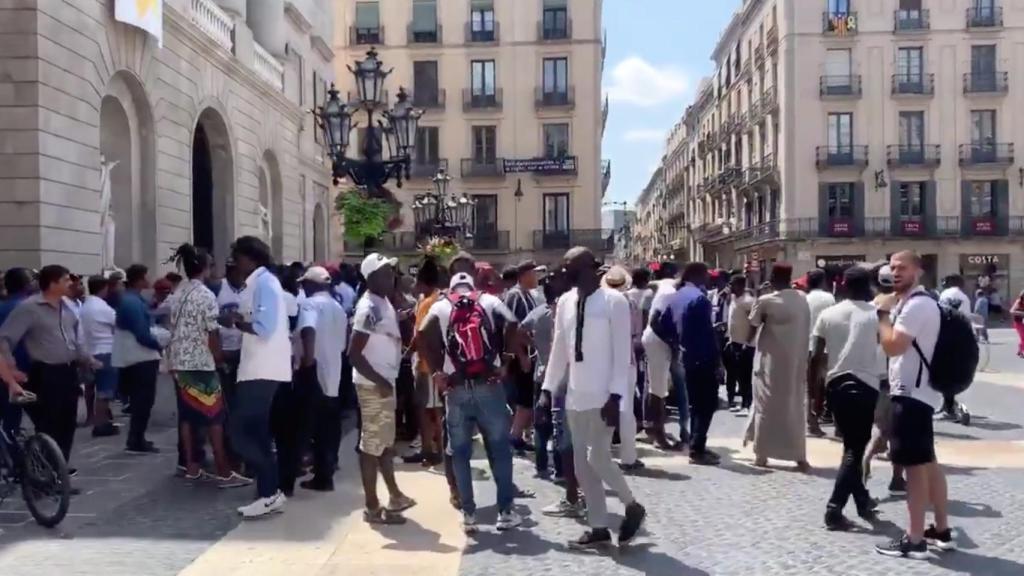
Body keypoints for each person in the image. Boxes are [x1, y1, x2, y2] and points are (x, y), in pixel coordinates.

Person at [541, 247, 645, 549]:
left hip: (604, 396)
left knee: (597, 457)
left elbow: (622, 354)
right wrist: (548, 390)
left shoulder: (615, 302)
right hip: (575, 395)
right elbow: (560, 349)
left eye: (569, 266)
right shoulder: (565, 302)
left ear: (589, 268)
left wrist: (616, 397)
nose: (564, 271)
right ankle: (598, 526)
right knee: (581, 467)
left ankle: (632, 505)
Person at [419, 267, 524, 533]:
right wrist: (506, 360)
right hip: (489, 384)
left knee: (461, 453)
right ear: (473, 286)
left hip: (456, 388)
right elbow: (512, 322)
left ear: (452, 289)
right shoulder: (489, 301)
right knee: (499, 449)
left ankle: (469, 514)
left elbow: (420, 333)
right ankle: (505, 513)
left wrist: (436, 372)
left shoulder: (442, 307)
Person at [874, 251, 955, 559]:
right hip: (920, 394)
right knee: (928, 463)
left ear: (918, 271)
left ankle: (915, 538)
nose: (895, 273)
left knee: (914, 469)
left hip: (910, 395)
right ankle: (942, 530)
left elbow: (894, 346)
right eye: (892, 267)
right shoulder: (917, 303)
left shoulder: (916, 305)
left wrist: (882, 317)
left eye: (902, 268)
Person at [166, 244, 250, 488]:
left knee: (188, 416)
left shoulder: (179, 291)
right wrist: (219, 359)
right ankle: (224, 471)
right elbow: (211, 333)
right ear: (204, 268)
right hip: (201, 364)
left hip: (179, 362)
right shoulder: (205, 295)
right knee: (214, 417)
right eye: (212, 265)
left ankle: (191, 467)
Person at [0, 265, 95, 468]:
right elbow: (5, 339)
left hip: (69, 370)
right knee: (49, 424)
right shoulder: (29, 308)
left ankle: (60, 471)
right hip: (46, 372)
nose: (71, 284)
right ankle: (44, 472)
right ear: (53, 284)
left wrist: (86, 358)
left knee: (68, 423)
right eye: (66, 280)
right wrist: (11, 366)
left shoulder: (68, 306)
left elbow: (75, 337)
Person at [811, 266, 883, 530]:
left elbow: (815, 357)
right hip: (866, 386)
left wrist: (813, 396)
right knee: (854, 449)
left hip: (836, 386)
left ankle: (862, 500)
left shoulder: (827, 314)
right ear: (868, 287)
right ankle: (834, 509)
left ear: (843, 285)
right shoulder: (878, 315)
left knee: (850, 446)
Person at [348, 253, 417, 525]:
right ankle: (372, 507)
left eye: (392, 271)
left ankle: (395, 496)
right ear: (371, 278)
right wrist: (380, 381)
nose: (392, 277)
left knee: (384, 444)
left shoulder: (383, 302)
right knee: (371, 446)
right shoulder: (369, 309)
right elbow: (354, 353)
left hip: (383, 382)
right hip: (374, 386)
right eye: (386, 273)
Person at [229, 236, 292, 518]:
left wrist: (236, 323)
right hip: (259, 367)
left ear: (249, 258)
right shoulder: (260, 282)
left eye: (237, 257)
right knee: (257, 433)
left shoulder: (265, 283)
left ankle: (270, 490)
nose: (234, 263)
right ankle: (269, 491)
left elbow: (264, 327)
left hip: (262, 369)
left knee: (239, 431)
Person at [745, 262, 811, 472]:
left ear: (771, 277)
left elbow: (751, 330)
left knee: (766, 406)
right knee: (795, 407)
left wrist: (759, 295)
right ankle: (800, 457)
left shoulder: (765, 300)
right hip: (796, 363)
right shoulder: (802, 299)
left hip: (770, 363)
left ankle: (761, 455)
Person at [662, 262, 722, 465]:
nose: (708, 278)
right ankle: (697, 449)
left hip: (686, 356)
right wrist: (717, 362)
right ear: (697, 275)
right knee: (707, 403)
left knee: (696, 403)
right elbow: (708, 333)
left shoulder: (676, 297)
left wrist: (676, 341)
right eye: (706, 274)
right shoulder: (699, 299)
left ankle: (698, 445)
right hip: (702, 357)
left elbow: (659, 323)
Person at [295, 266, 348, 492]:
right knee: (330, 425)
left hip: (314, 371)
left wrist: (307, 361)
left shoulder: (309, 304)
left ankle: (319, 475)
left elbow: (308, 330)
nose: (303, 287)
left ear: (311, 284)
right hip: (333, 373)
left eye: (305, 284)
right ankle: (327, 470)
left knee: (311, 426)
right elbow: (344, 343)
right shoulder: (338, 308)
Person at [865, 265, 906, 496]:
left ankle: (870, 458)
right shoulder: (903, 305)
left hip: (875, 371)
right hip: (897, 372)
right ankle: (895, 477)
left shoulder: (871, 307)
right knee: (896, 429)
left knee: (881, 423)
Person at [113, 264, 163, 454]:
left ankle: (137, 437)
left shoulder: (132, 299)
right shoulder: (132, 302)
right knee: (143, 400)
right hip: (139, 357)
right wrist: (159, 344)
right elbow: (141, 333)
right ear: (139, 279)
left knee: (141, 400)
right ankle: (136, 439)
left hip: (135, 356)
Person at [601, 265, 644, 470]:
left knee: (603, 410)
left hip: (602, 363)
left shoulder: (599, 303)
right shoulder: (630, 303)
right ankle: (628, 457)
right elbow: (636, 335)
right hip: (626, 362)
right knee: (626, 411)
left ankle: (601, 456)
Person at [404, 258, 445, 466]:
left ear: (422, 282)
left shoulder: (428, 302)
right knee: (431, 408)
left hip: (426, 364)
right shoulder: (436, 299)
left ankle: (432, 450)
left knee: (429, 410)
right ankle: (431, 448)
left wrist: (408, 353)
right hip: (432, 362)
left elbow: (420, 334)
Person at [640, 262, 683, 450]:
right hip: (658, 340)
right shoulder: (672, 292)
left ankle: (655, 430)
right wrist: (673, 344)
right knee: (657, 390)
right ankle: (658, 435)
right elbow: (655, 320)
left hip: (656, 339)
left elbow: (653, 285)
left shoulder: (666, 285)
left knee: (659, 388)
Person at [505, 260, 539, 454]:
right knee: (524, 398)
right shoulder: (515, 296)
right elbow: (513, 328)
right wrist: (522, 355)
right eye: (534, 274)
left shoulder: (529, 296)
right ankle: (515, 436)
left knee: (527, 397)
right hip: (521, 356)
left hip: (529, 353)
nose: (536, 278)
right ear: (525, 275)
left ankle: (522, 435)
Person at [81, 275, 119, 437]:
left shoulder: (85, 306)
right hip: (105, 351)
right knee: (104, 392)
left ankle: (94, 418)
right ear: (104, 288)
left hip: (89, 351)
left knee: (91, 387)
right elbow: (118, 323)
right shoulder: (102, 307)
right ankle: (101, 424)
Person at [0, 268, 35, 439]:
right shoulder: (27, 308)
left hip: (7, 368)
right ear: (26, 284)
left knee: (10, 414)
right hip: (25, 367)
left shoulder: (3, 306)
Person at [805, 269, 835, 437]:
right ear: (823, 281)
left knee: (810, 387)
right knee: (827, 386)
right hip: (825, 347)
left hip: (807, 347)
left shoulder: (805, 299)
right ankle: (833, 421)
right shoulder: (829, 298)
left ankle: (812, 423)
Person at [936, 275, 971, 421]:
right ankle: (947, 404)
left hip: (945, 337)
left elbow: (939, 314)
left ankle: (948, 407)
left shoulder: (945, 294)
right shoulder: (965, 297)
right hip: (961, 338)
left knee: (943, 373)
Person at [723, 274, 755, 415]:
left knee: (745, 376)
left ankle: (747, 404)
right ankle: (732, 401)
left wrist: (747, 342)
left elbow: (754, 323)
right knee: (732, 374)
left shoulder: (748, 301)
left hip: (745, 344)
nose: (730, 287)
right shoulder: (733, 298)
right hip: (733, 342)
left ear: (740, 285)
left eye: (732, 284)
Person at [1011, 290, 1024, 358]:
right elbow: (1012, 311)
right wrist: (1021, 313)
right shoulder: (1018, 302)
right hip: (1018, 322)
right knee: (1023, 338)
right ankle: (1021, 351)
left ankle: (1020, 350)